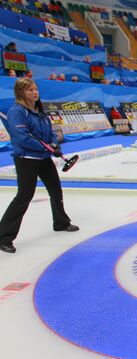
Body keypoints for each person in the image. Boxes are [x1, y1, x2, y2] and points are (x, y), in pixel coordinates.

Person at [0, 78, 78, 254]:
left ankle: (61, 223)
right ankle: (4, 237)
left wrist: (54, 144)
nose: (34, 93)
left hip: (43, 157)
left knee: (55, 190)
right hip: (26, 158)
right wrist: (47, 147)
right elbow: (22, 137)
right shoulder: (17, 112)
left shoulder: (40, 112)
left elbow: (50, 133)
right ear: (21, 93)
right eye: (30, 90)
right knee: (24, 196)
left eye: (35, 89)